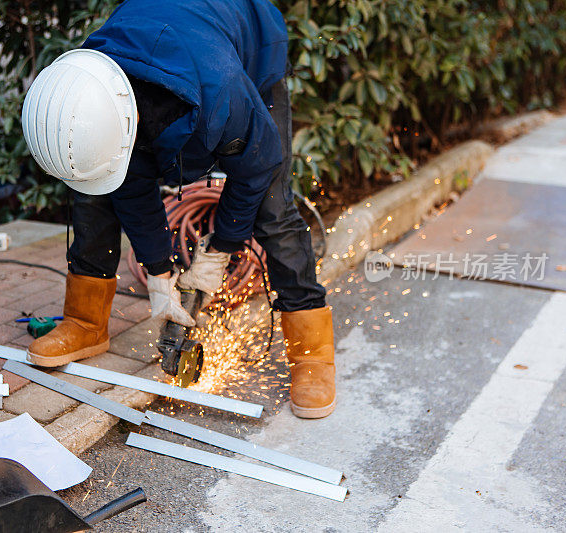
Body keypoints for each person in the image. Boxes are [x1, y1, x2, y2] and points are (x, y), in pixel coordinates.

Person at [20, 0, 335, 418]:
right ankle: (86, 322)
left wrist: (221, 247)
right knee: (94, 192)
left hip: (242, 48)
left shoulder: (222, 93)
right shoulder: (86, 93)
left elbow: (257, 169)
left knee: (273, 211)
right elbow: (129, 187)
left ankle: (312, 354)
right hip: (171, 47)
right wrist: (158, 271)